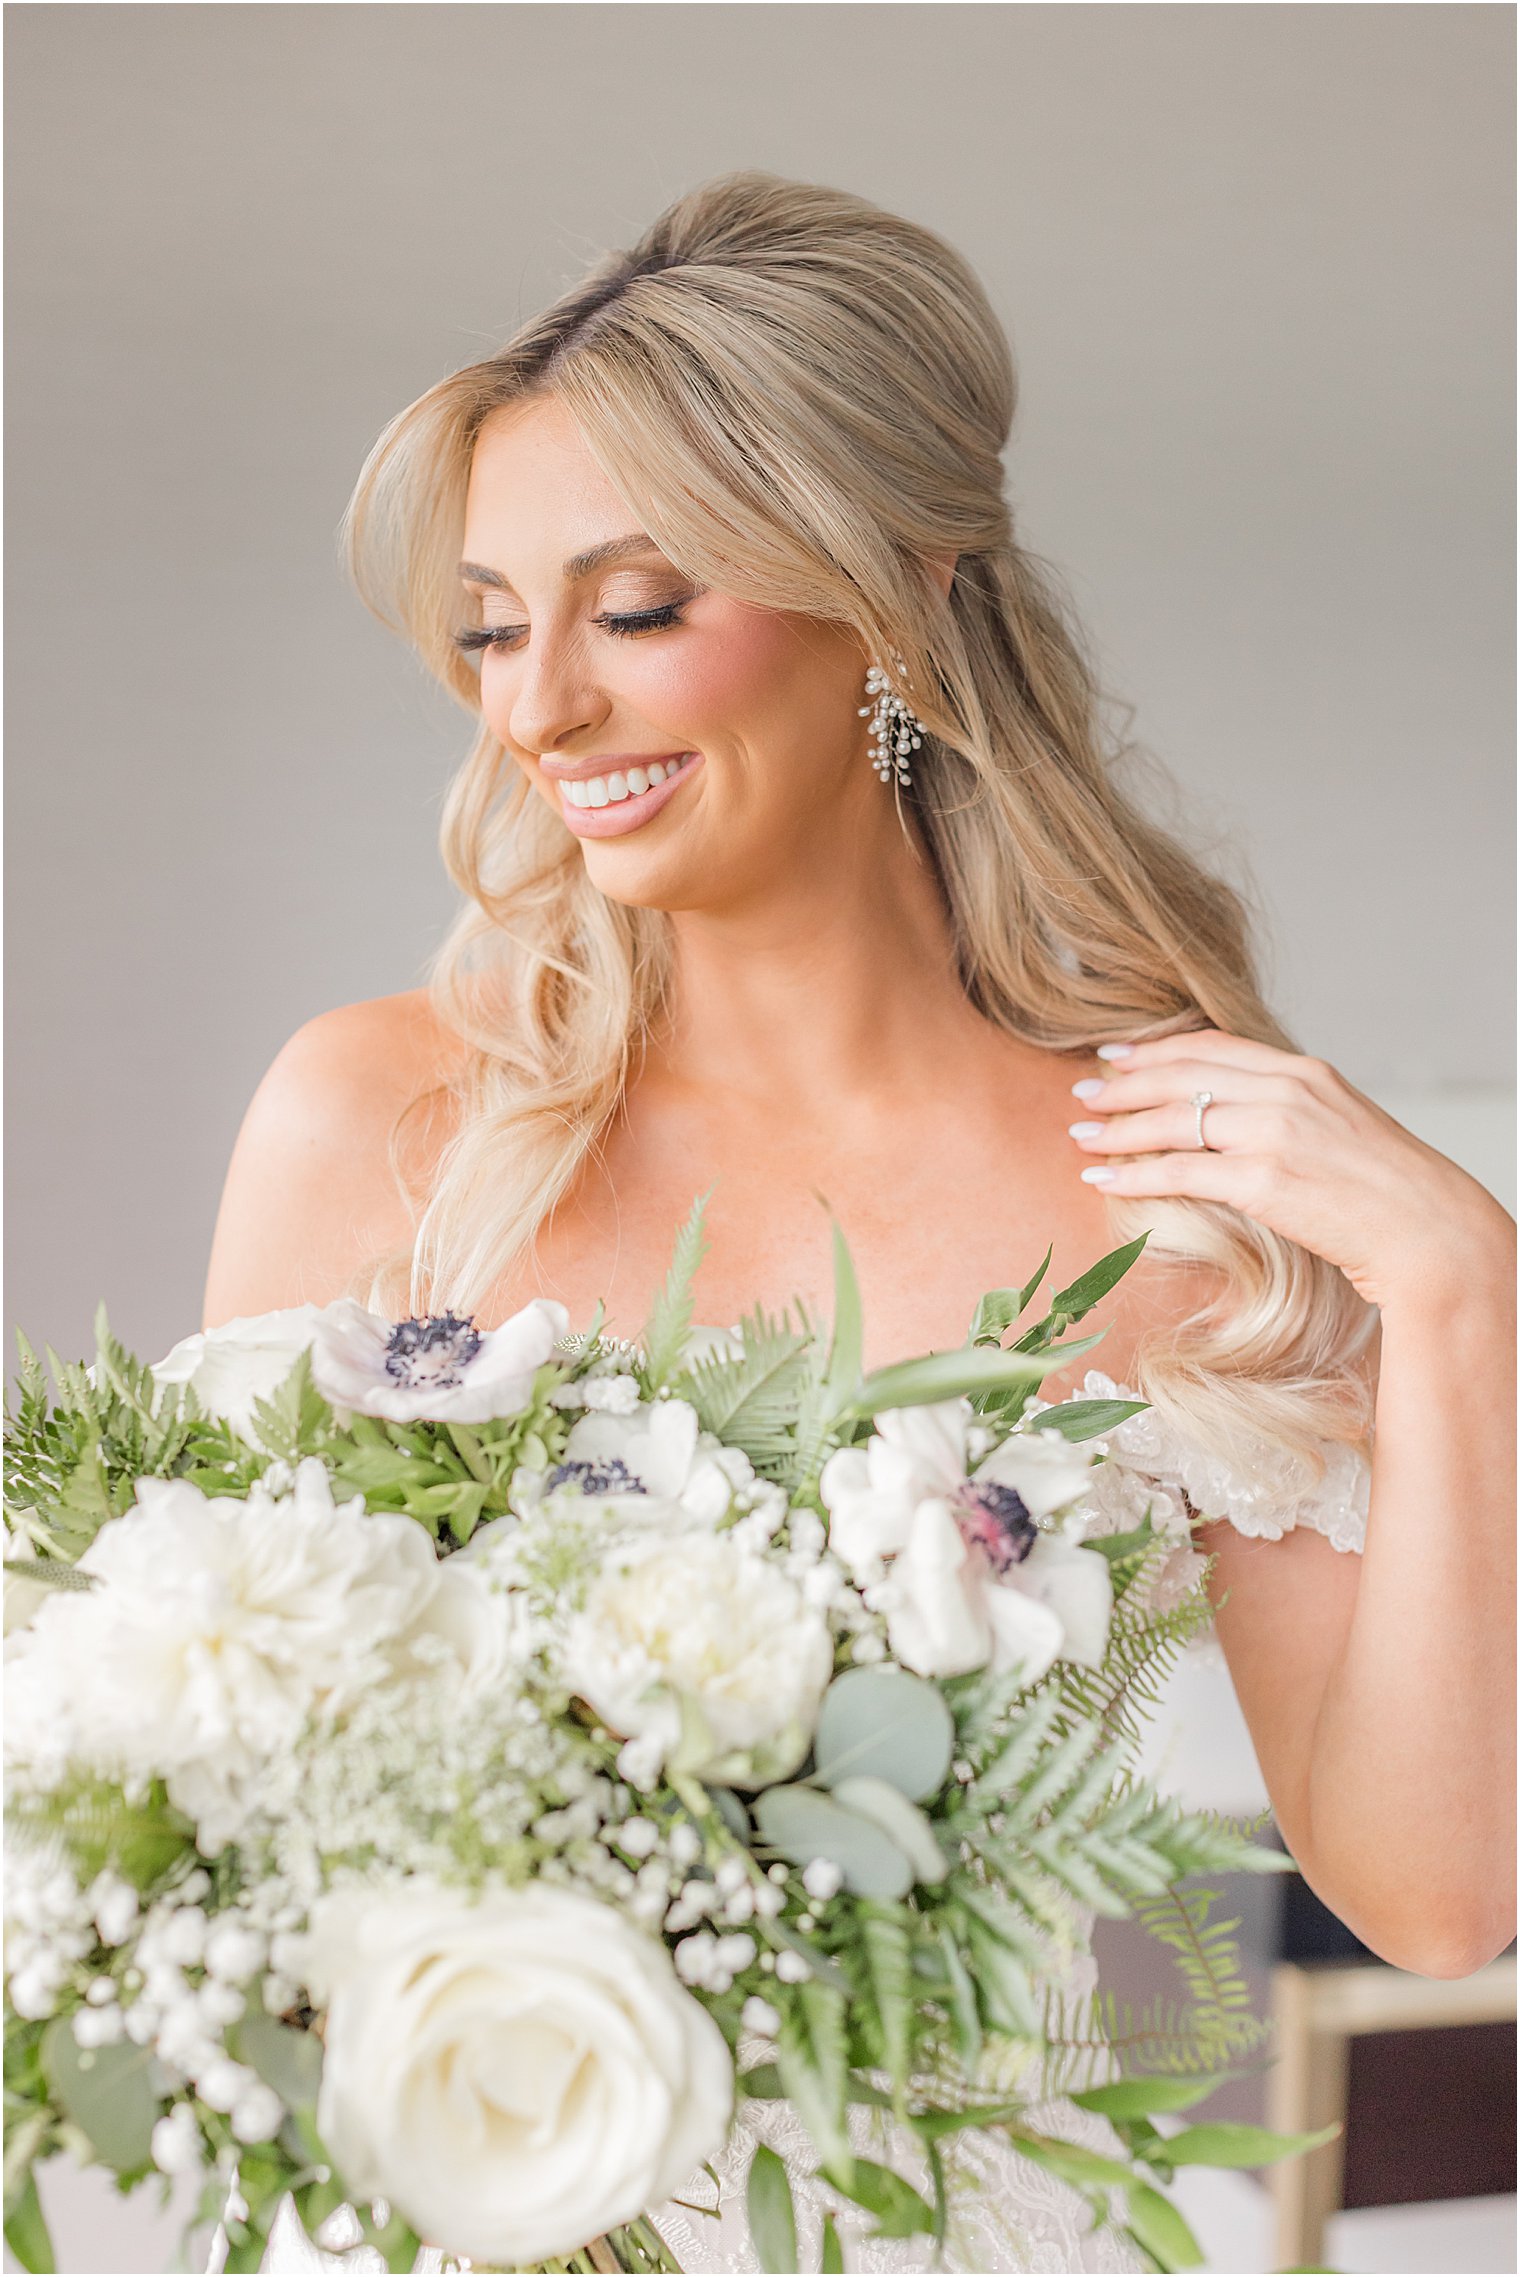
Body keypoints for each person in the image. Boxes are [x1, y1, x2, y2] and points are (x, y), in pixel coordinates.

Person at [201, 173, 1515, 2274]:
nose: (536, 709)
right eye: (489, 625)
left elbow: (1434, 1898)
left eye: (631, 609)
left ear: (888, 604)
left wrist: (1461, 1292)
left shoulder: (1161, 1192)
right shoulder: (381, 1125)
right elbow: (220, 1808)